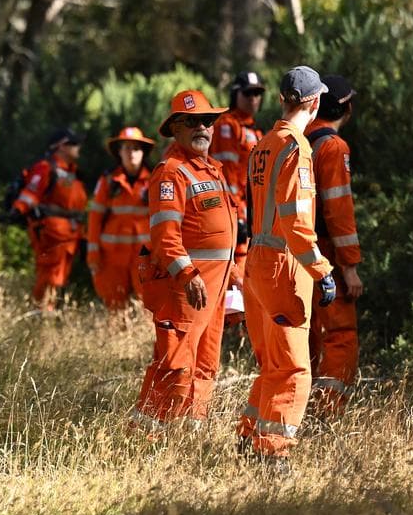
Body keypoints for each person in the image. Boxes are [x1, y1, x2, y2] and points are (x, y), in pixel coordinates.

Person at [236, 66, 337, 471]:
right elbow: (296, 221)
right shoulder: (297, 148)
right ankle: (271, 456)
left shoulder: (263, 145)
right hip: (283, 266)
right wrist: (322, 269)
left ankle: (249, 440)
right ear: (313, 103)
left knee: (272, 365)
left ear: (282, 99)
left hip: (256, 263)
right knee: (295, 369)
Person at [131, 90, 237, 429]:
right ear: (175, 128)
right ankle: (149, 434)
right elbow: (165, 237)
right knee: (174, 363)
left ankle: (191, 430)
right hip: (185, 289)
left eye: (206, 121)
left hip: (214, 289)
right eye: (191, 122)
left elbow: (219, 233)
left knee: (205, 361)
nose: (202, 128)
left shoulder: (211, 169)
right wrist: (188, 274)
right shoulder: (171, 172)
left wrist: (232, 272)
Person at [304, 74, 363, 413]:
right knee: (340, 333)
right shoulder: (333, 147)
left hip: (296, 252)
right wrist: (350, 267)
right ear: (346, 108)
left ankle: (303, 403)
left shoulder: (297, 141)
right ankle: (328, 408)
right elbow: (339, 212)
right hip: (326, 252)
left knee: (308, 331)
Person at [11, 127, 89, 311]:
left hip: (69, 236)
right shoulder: (45, 168)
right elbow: (30, 194)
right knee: (48, 277)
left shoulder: (72, 172)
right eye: (73, 143)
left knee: (58, 279)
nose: (78, 147)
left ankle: (48, 313)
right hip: (50, 234)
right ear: (60, 147)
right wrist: (17, 210)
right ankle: (40, 315)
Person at [87, 126, 156, 310]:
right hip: (113, 257)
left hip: (145, 257)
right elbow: (95, 218)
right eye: (127, 148)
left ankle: (143, 340)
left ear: (143, 153)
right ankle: (118, 340)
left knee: (148, 308)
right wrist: (93, 254)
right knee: (115, 307)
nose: (131, 153)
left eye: (136, 148)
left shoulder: (155, 181)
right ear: (119, 152)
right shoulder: (108, 181)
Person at [211, 70, 266, 270]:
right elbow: (226, 175)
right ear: (236, 94)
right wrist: (238, 216)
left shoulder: (256, 131)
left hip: (253, 214)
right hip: (235, 212)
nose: (254, 99)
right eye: (248, 93)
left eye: (257, 94)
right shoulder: (227, 125)